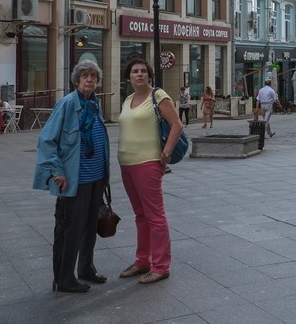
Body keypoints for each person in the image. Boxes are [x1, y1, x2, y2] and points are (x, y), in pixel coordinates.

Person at [32, 61, 109, 294]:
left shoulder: (94, 104)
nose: (89, 80)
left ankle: (86, 268)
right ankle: (64, 278)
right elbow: (46, 141)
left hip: (96, 178)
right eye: (85, 76)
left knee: (89, 226)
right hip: (75, 180)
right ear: (76, 81)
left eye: (93, 76)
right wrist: (57, 172)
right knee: (71, 230)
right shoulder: (66, 105)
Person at [118, 57, 184, 284]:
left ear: (149, 75)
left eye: (143, 71)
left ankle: (161, 266)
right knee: (140, 215)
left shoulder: (158, 96)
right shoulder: (127, 99)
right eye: (135, 71)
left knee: (155, 216)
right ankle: (142, 260)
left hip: (148, 163)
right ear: (128, 77)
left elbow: (177, 124)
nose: (139, 74)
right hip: (126, 164)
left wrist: (165, 154)